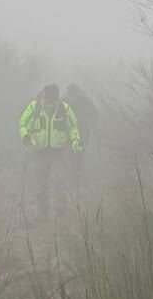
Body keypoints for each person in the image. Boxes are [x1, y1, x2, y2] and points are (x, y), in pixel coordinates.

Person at [19, 84, 82, 220]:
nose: (49, 105)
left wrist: (75, 140)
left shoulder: (64, 109)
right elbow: (23, 124)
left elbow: (73, 127)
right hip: (39, 151)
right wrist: (25, 136)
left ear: (57, 100)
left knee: (59, 180)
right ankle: (42, 213)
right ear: (43, 98)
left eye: (52, 102)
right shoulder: (34, 107)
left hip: (59, 151)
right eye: (46, 101)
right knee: (41, 183)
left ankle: (61, 213)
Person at [65, 83, 99, 151]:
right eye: (69, 94)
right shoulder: (65, 100)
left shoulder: (85, 101)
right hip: (69, 130)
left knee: (79, 149)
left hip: (82, 129)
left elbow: (95, 115)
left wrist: (91, 125)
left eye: (72, 94)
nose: (71, 96)